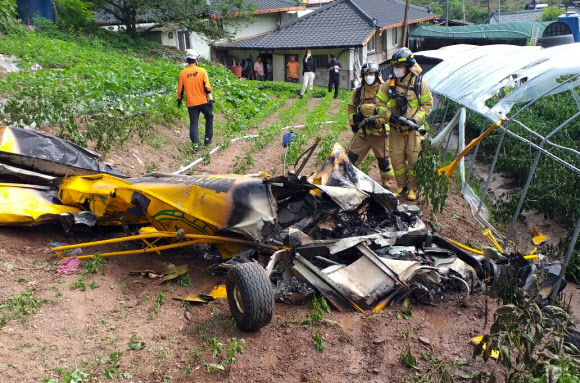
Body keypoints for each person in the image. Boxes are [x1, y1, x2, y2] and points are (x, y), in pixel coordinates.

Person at [376, 48, 433, 201]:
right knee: (397, 159)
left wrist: (415, 120)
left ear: (408, 67)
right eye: (395, 67)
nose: (397, 70)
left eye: (399, 67)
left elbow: (427, 105)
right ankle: (402, 187)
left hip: (413, 131)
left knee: (413, 160)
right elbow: (378, 102)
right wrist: (389, 115)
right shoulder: (390, 84)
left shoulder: (420, 84)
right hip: (396, 130)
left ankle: (413, 188)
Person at [347, 61, 394, 187]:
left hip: (380, 133)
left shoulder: (385, 89)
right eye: (366, 74)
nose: (369, 76)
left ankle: (387, 181)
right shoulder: (358, 91)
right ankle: (346, 179)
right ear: (363, 75)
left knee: (384, 161)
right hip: (363, 133)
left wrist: (377, 119)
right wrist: (354, 122)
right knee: (351, 158)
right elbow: (351, 108)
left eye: (371, 73)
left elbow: (390, 110)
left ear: (377, 74)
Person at [177, 49, 214, 153]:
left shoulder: (183, 73)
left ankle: (195, 145)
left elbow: (180, 89)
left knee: (193, 123)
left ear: (187, 60)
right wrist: (210, 99)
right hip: (202, 101)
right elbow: (207, 87)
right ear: (196, 60)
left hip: (191, 103)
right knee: (209, 117)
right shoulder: (202, 71)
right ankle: (207, 139)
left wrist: (179, 99)